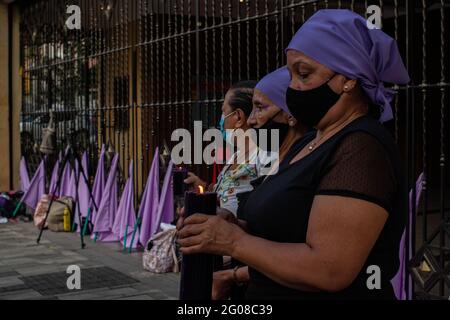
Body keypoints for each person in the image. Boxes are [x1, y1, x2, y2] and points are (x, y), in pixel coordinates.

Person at [177, 9, 410, 300]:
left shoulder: (361, 148)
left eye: (304, 74)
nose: (293, 88)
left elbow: (329, 269)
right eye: (290, 75)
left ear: (348, 79)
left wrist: (233, 242)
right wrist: (231, 223)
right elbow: (289, 227)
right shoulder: (310, 141)